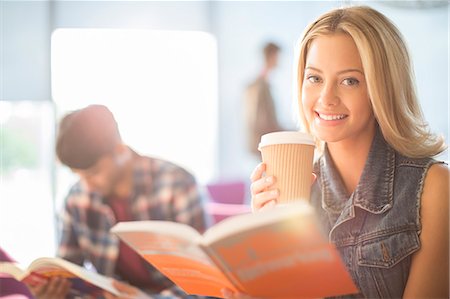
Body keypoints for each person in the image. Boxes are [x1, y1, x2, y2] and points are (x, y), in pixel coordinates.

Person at [227, 5, 449, 299]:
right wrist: (266, 254)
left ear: (383, 89)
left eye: (349, 81)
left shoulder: (435, 189)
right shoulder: (292, 191)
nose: (326, 98)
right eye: (315, 78)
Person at [28, 104, 208, 298]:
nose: (87, 185)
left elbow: (204, 280)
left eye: (94, 173)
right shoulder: (77, 198)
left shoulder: (176, 184)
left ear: (120, 151)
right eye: (78, 176)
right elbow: (67, 269)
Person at [244, 42, 285, 157]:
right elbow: (263, 122)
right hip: (264, 146)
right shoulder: (259, 87)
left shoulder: (260, 85)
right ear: (272, 56)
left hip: (263, 144)